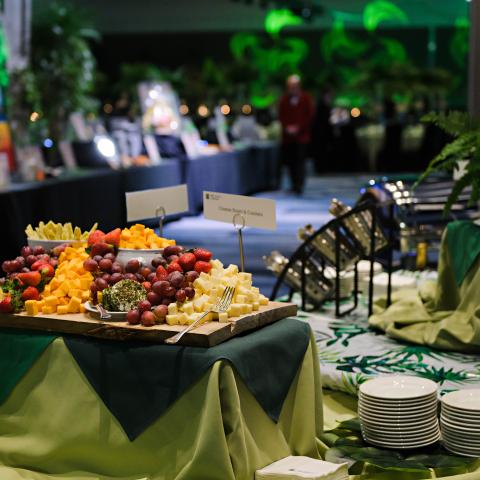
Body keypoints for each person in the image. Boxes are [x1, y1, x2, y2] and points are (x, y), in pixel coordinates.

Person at [278, 74, 315, 195]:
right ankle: (293, 184)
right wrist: (288, 128)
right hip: (288, 138)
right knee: (290, 162)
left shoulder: (306, 98)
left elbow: (309, 116)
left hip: (302, 137)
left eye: (294, 86)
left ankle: (299, 185)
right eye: (290, 86)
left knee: (300, 161)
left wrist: (298, 127)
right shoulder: (284, 100)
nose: (292, 88)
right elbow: (281, 116)